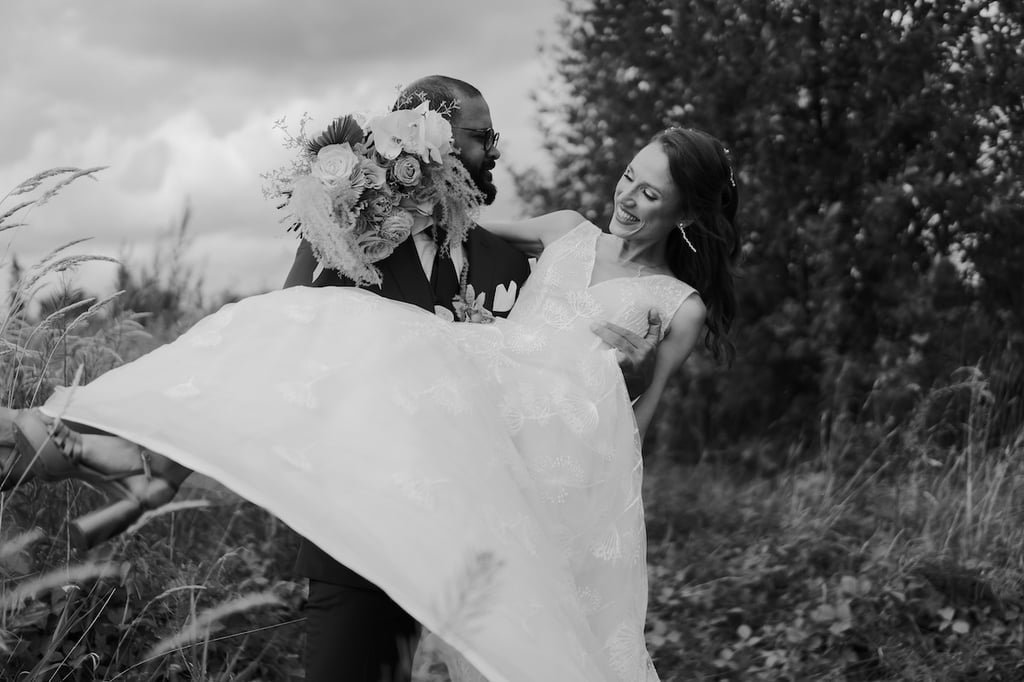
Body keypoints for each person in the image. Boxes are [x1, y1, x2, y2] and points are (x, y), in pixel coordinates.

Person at [1, 116, 739, 680]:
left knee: (510, 627)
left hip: (561, 449)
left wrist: (633, 379)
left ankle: (147, 464)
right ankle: (131, 440)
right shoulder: (566, 230)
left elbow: (635, 433)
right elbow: (451, 223)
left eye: (650, 192)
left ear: (687, 214)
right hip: (489, 386)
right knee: (326, 320)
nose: (627, 197)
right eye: (629, 177)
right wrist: (362, 184)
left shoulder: (678, 306)